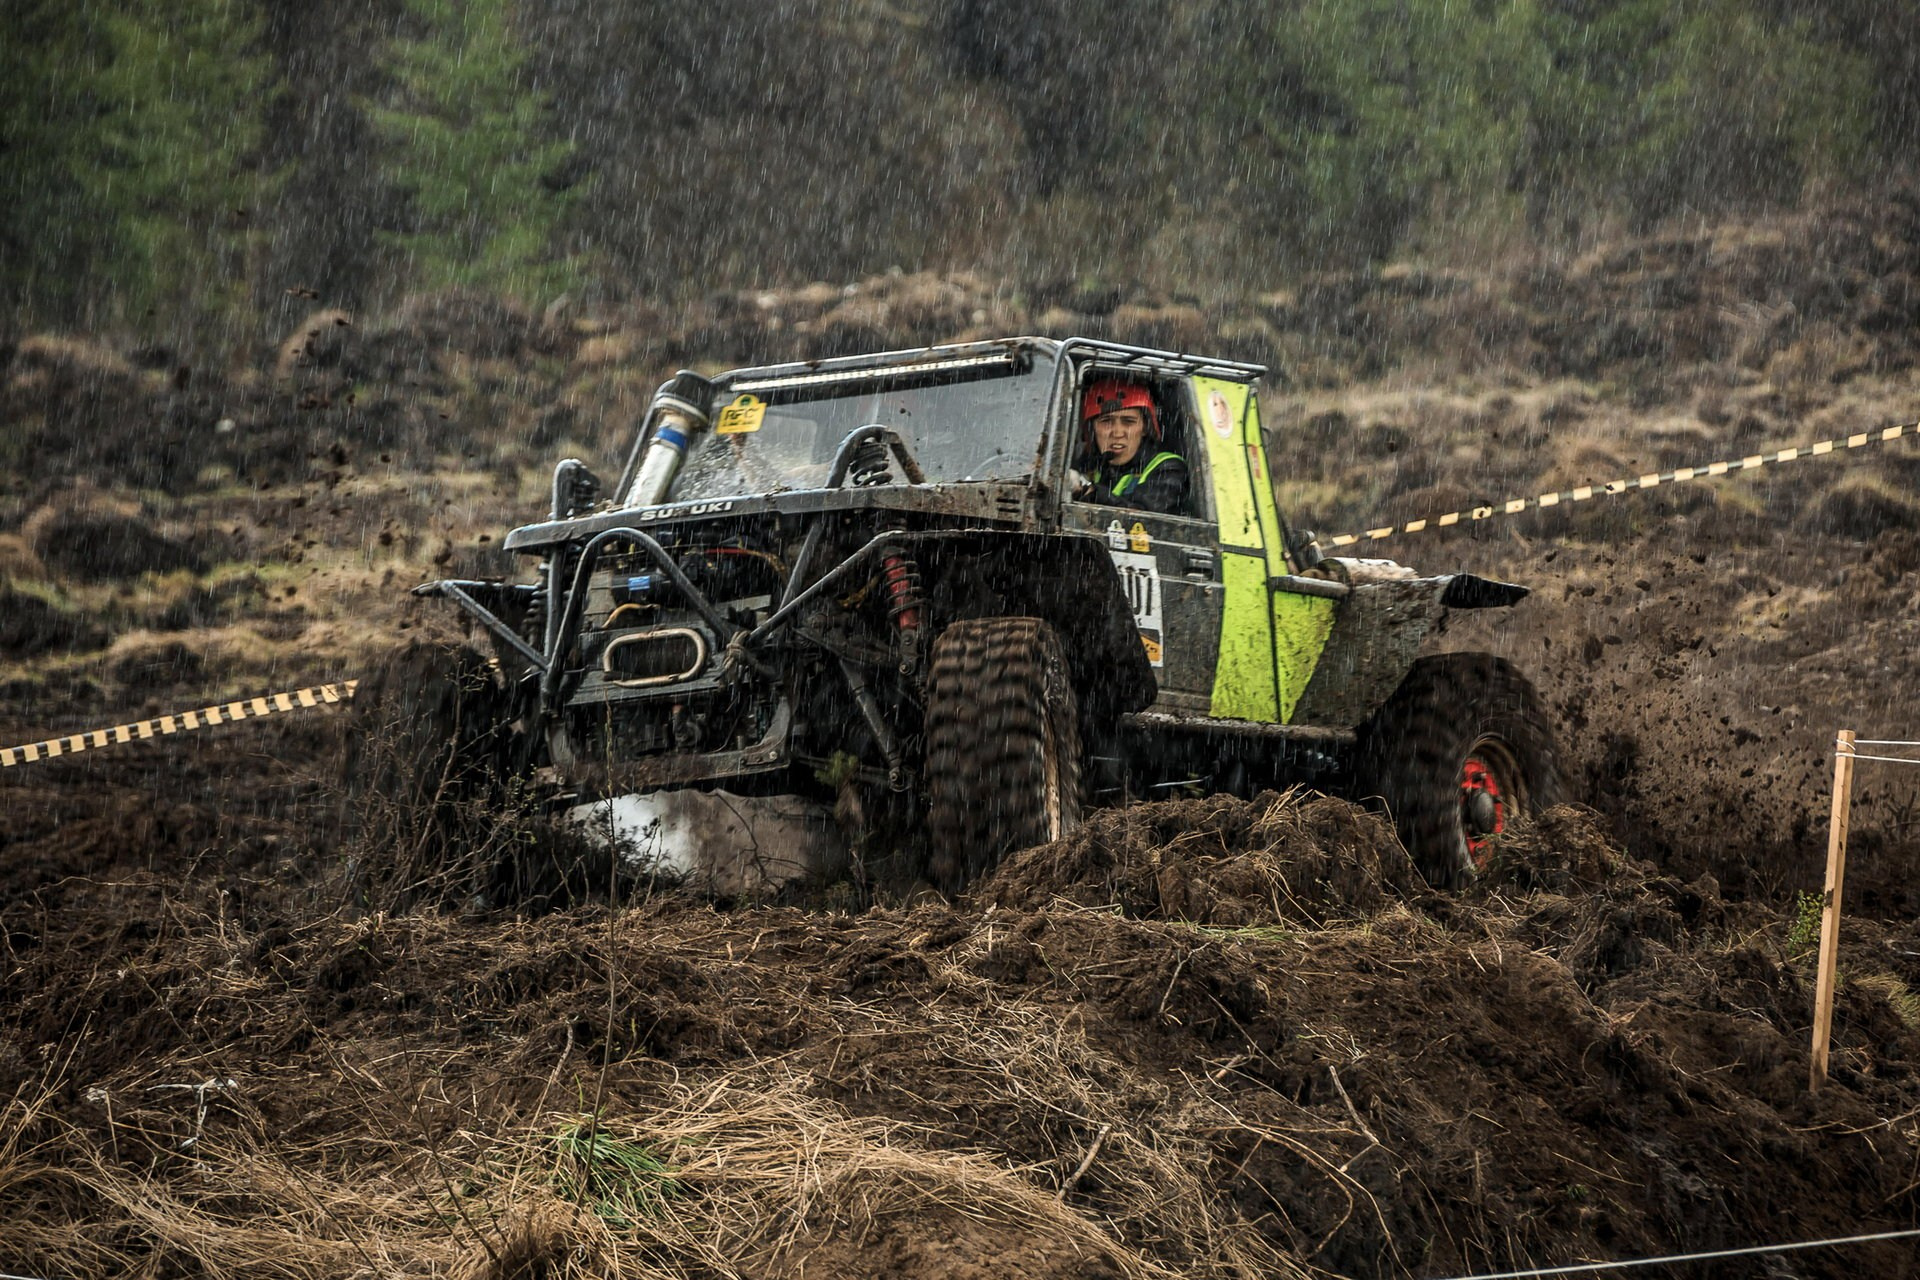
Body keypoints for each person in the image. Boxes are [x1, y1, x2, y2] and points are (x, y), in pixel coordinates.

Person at [1072, 378, 1190, 515]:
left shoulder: (1169, 469)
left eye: (1128, 422)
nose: (1117, 433)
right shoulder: (1090, 465)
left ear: (1145, 428)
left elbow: (1139, 518)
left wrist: (1090, 492)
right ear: (1092, 429)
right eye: (1106, 421)